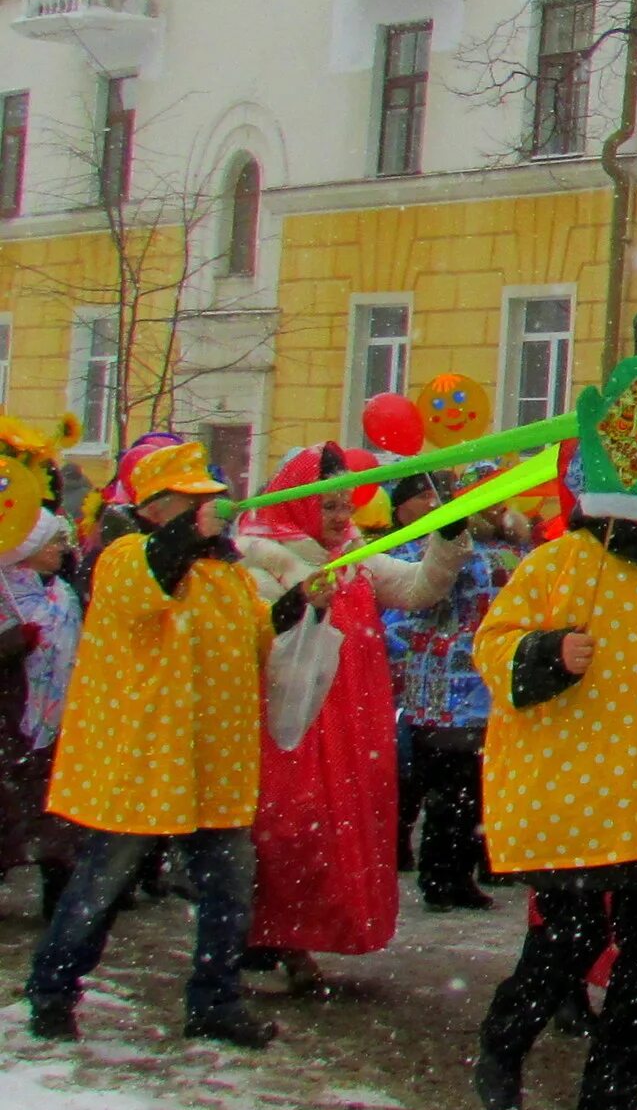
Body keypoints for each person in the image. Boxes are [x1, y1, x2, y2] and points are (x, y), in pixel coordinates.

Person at [470, 410, 637, 1110]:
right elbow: (492, 647)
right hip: (578, 791)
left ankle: (611, 1097)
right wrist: (547, 653)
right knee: (572, 936)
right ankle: (506, 1037)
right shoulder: (557, 564)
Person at [26, 442, 288, 1046]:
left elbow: (252, 641)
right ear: (160, 506)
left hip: (211, 761)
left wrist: (296, 609)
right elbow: (155, 577)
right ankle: (53, 991)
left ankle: (215, 1001)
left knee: (227, 889)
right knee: (100, 885)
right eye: (199, 501)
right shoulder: (122, 557)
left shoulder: (223, 572)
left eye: (212, 500)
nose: (214, 510)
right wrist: (190, 537)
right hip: (146, 758)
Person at [237, 445, 471, 986]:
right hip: (290, 724)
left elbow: (419, 588)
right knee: (287, 830)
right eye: (330, 507)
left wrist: (448, 533)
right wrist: (298, 606)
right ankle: (262, 936)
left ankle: (296, 940)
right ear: (298, 507)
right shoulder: (262, 558)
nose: (343, 517)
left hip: (350, 721)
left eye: (346, 506)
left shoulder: (354, 554)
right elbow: (257, 643)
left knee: (331, 833)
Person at [382, 470, 513, 912]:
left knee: (475, 790)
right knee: (448, 792)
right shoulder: (444, 544)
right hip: (443, 686)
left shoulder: (510, 547)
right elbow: (416, 595)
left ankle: (460, 875)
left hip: (487, 686)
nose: (499, 507)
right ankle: (439, 878)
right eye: (490, 497)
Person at [0, 509, 83, 917]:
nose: (61, 550)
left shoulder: (63, 594)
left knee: (56, 817)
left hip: (57, 725)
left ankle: (57, 901)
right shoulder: (6, 593)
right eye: (52, 542)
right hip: (11, 721)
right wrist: (15, 642)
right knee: (9, 811)